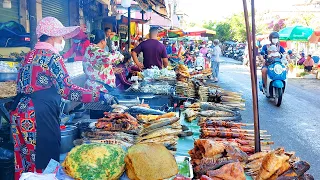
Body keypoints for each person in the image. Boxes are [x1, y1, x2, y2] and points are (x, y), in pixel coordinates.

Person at [10, 17, 116, 180]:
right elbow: (68, 90)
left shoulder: (29, 56)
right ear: (52, 36)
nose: (62, 41)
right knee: (45, 162)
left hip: (19, 114)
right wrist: (99, 95)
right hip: (39, 116)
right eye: (61, 37)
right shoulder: (52, 56)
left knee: (26, 163)